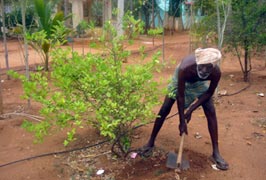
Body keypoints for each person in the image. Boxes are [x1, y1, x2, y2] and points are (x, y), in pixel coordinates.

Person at [139, 48, 229, 170]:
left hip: (198, 83)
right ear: (198, 62)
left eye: (208, 67)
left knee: (211, 110)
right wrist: (182, 121)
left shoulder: (216, 73)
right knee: (165, 108)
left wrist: (191, 109)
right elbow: (180, 96)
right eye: (202, 66)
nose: (204, 70)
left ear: (213, 66)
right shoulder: (185, 68)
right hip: (181, 79)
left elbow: (209, 93)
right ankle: (150, 142)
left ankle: (215, 153)